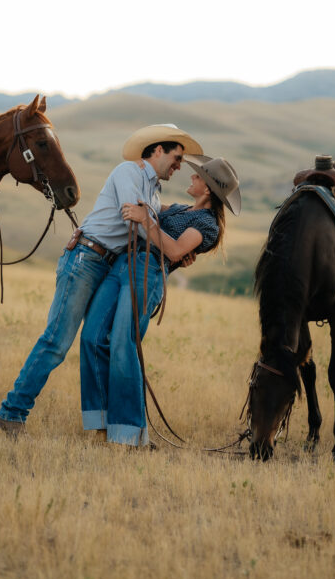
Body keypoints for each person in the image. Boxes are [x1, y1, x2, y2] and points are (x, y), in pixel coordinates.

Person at [0, 123, 203, 436]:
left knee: (95, 339)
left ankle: (105, 426)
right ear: (157, 150)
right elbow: (134, 218)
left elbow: (154, 219)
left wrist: (178, 251)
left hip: (104, 264)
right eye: (176, 157)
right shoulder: (129, 173)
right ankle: (12, 412)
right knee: (56, 341)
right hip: (86, 259)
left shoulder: (153, 190)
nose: (178, 166)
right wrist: (164, 241)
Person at [79, 155, 241, 447]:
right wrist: (144, 171)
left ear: (207, 189)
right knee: (91, 335)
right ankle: (102, 422)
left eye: (198, 176)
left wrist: (147, 222)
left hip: (148, 271)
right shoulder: (182, 209)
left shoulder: (207, 225)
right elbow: (151, 207)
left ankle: (130, 433)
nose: (191, 177)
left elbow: (177, 250)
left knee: (122, 343)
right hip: (123, 264)